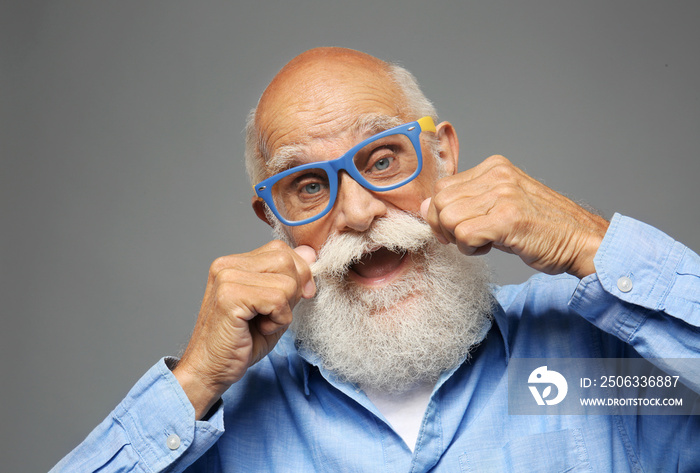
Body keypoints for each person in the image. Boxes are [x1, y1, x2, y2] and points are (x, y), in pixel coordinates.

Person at [51, 47, 700, 472]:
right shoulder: (220, 428)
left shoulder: (585, 360)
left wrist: (591, 242)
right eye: (308, 185)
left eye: (383, 158)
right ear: (274, 217)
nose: (358, 212)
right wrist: (191, 382)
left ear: (443, 156)